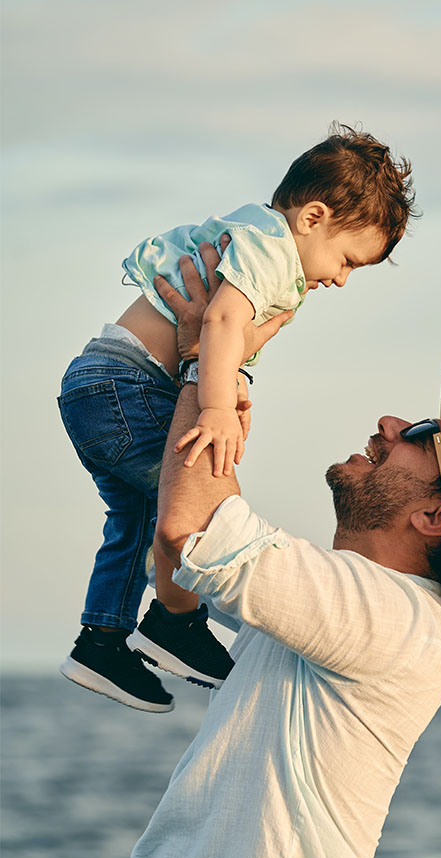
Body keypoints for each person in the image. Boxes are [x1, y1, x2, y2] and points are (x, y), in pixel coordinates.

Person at [129, 252, 441, 858]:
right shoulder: (350, 604)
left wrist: (210, 360)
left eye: (416, 434)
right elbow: (189, 559)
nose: (387, 424)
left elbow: (191, 530)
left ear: (436, 515)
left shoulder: (396, 618)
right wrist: (218, 386)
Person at [57, 124, 417, 712]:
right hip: (130, 385)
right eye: (348, 259)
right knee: (203, 505)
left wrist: (234, 378)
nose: (342, 278)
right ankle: (173, 625)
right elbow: (222, 322)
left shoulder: (257, 239)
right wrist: (218, 407)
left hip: (97, 387)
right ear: (313, 217)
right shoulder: (270, 247)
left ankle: (102, 641)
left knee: (135, 519)